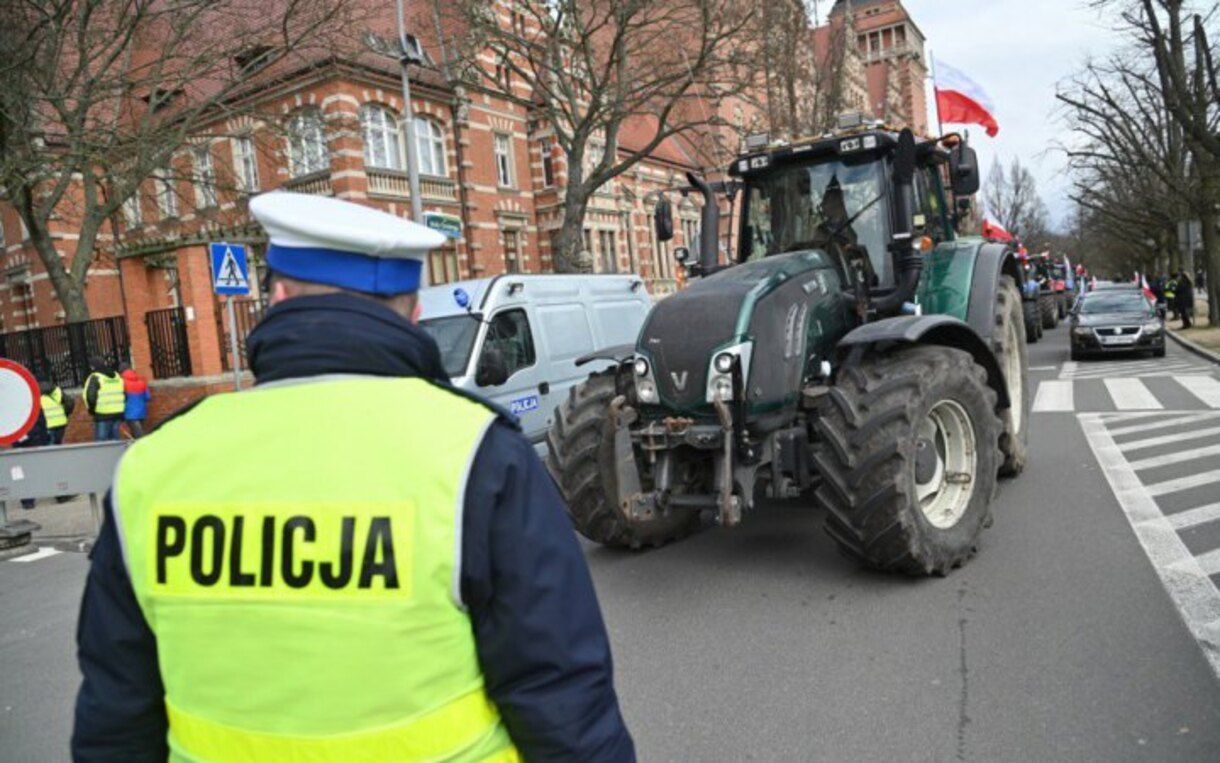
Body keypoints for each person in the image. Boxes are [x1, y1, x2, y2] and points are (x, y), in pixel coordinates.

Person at [73, 192, 635, 762]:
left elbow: (115, 716)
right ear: (413, 312)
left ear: (277, 296)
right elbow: (562, 698)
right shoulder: (476, 456)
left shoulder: (156, 465)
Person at [83, 358, 125, 441]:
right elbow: (124, 393)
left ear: (92, 367)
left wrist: (92, 410)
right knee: (115, 439)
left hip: (102, 414)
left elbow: (90, 397)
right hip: (118, 413)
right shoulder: (117, 376)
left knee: (101, 442)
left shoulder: (95, 377)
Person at [119, 363, 151, 438]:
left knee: (138, 436)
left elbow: (121, 399)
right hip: (142, 412)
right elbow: (148, 397)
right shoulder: (141, 382)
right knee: (138, 434)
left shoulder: (122, 383)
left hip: (129, 414)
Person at [39, 379, 73, 445]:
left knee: (50, 446)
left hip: (47, 425)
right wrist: (65, 414)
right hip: (61, 422)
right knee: (58, 444)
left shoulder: (33, 392)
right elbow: (70, 403)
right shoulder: (56, 390)